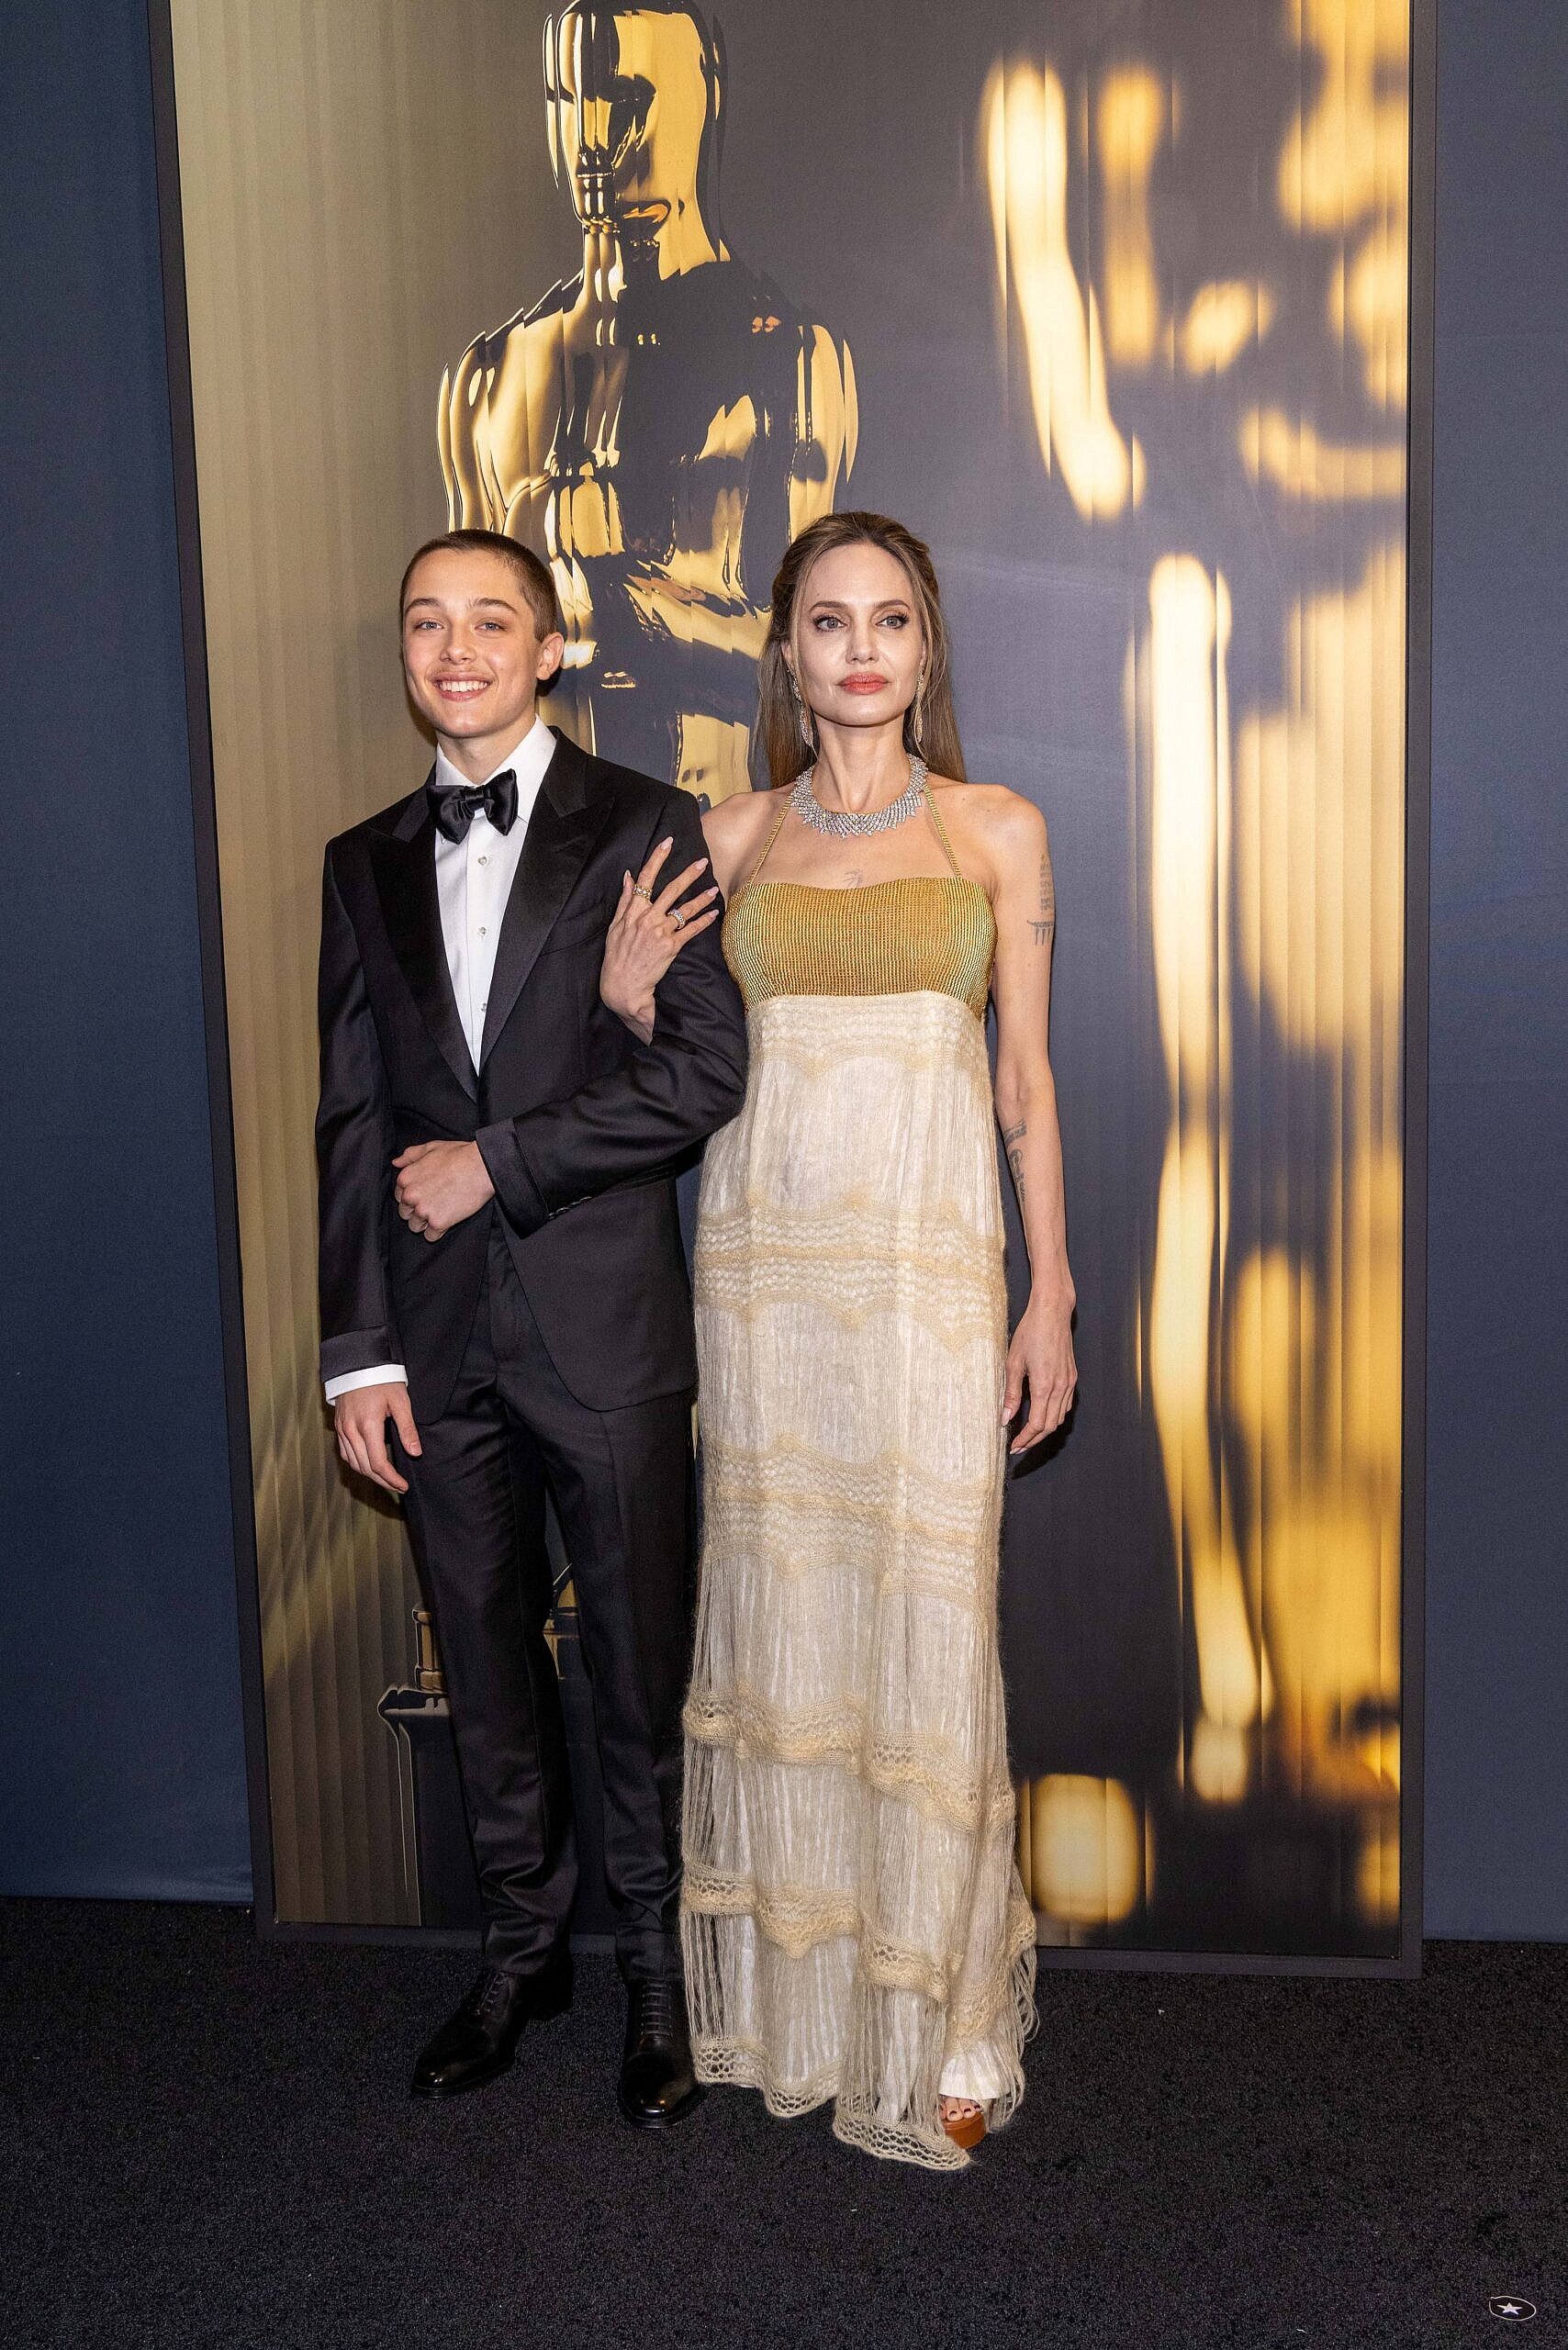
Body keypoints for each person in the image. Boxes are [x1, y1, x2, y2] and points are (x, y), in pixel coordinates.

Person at [600, 509, 1079, 2167]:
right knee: (786, 1609)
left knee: (929, 1623)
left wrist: (1053, 1291)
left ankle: (944, 2012)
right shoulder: (726, 840)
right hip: (765, 1278)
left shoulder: (995, 826)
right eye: (827, 622)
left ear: (924, 648)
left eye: (887, 620)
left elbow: (1021, 1084)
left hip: (930, 1267)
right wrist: (623, 1000)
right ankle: (801, 2014)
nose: (859, 648)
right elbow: (658, 1078)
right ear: (787, 656)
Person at [316, 527, 745, 2124]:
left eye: (489, 619)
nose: (455, 647)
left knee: (633, 1670)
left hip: (604, 1330)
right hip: (431, 1349)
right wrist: (356, 1351)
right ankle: (519, 1953)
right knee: (484, 1660)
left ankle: (653, 1971)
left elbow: (706, 1071)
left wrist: (498, 1162)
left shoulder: (645, 823)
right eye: (425, 619)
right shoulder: (361, 857)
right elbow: (351, 1126)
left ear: (550, 647)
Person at [440, 0, 856, 802]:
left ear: (699, 107)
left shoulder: (794, 360)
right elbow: (470, 673)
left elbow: (815, 663)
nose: (590, 141)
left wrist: (615, 593)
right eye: (568, 102)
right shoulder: (493, 371)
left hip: (727, 837)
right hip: (540, 868)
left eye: (626, 102)